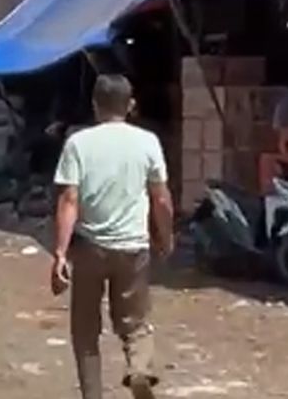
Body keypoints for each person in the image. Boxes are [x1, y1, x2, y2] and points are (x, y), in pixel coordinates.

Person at [50, 75, 174, 399]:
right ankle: (139, 370)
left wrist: (60, 253)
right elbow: (160, 198)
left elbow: (69, 200)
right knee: (135, 323)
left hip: (90, 248)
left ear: (95, 105)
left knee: (86, 330)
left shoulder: (78, 143)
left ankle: (93, 395)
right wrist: (166, 235)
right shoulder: (148, 142)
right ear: (130, 105)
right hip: (133, 247)